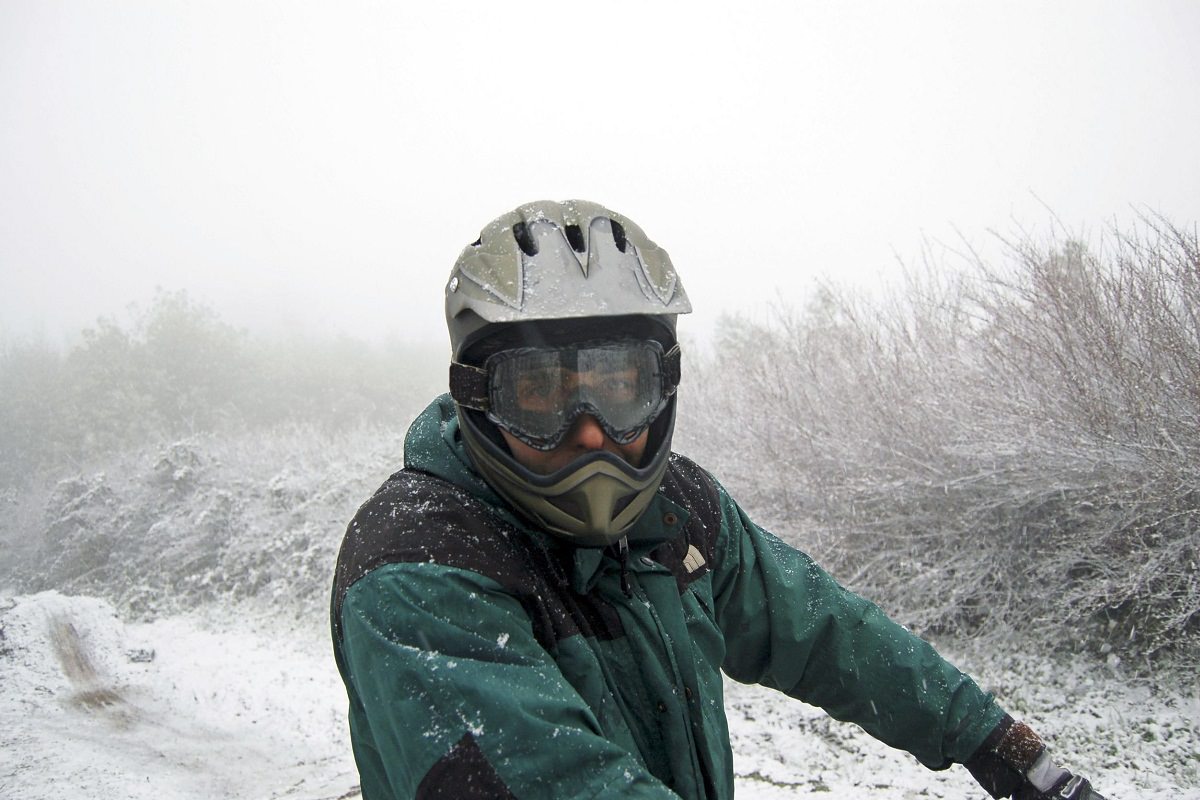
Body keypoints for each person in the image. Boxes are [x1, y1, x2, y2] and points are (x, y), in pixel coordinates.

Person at [331, 200, 1106, 799]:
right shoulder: (417, 568)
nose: (593, 436)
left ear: (662, 385)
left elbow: (827, 630)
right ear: (478, 398)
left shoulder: (674, 510)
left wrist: (993, 740)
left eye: (619, 389)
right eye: (541, 397)